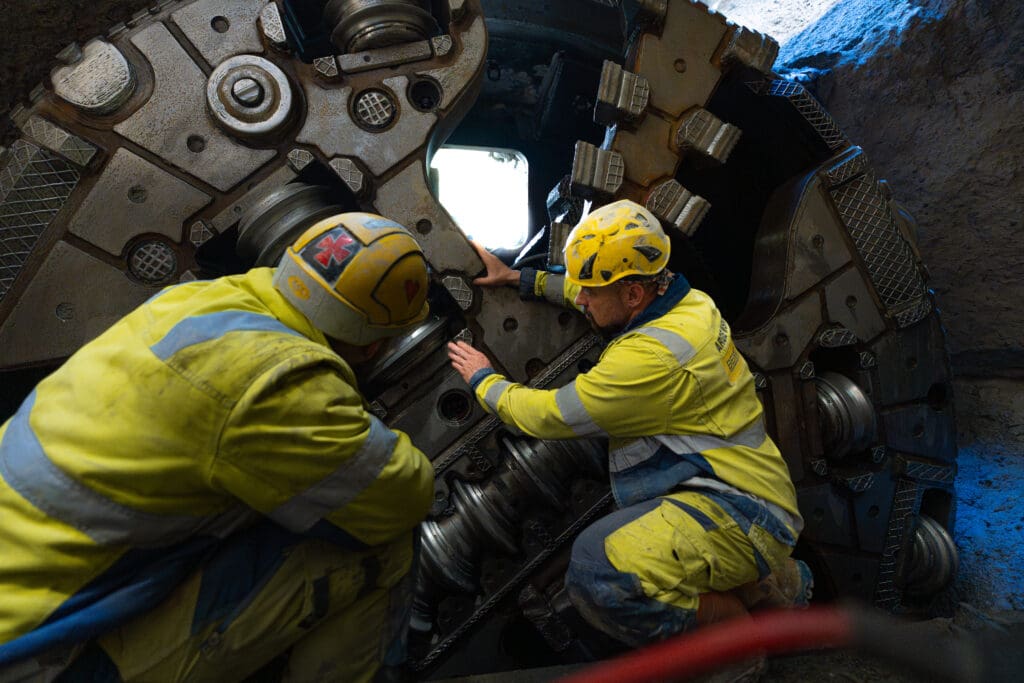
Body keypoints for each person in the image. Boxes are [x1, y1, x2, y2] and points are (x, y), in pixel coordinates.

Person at [0, 213, 436, 682]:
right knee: (376, 546)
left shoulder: (197, 300)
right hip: (32, 655)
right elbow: (402, 495)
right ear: (374, 346)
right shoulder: (278, 380)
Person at [448, 199, 811, 649]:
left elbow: (546, 414)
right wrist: (519, 278)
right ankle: (766, 589)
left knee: (599, 569)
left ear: (634, 294)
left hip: (739, 513)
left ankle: (737, 644)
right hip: (745, 489)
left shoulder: (647, 361)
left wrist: (483, 380)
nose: (581, 298)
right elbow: (601, 298)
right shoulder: (687, 303)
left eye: (589, 292)